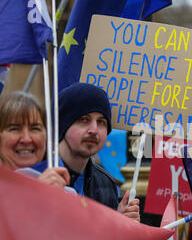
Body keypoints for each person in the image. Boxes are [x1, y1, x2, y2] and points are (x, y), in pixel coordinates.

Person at [58, 82, 140, 222]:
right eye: (84, 120)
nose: (94, 130)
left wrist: (118, 222)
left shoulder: (106, 184)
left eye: (101, 122)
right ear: (63, 124)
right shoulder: (36, 173)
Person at [0, 91, 70, 188]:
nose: (26, 139)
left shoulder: (67, 192)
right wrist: (37, 193)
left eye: (35, 129)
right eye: (15, 129)